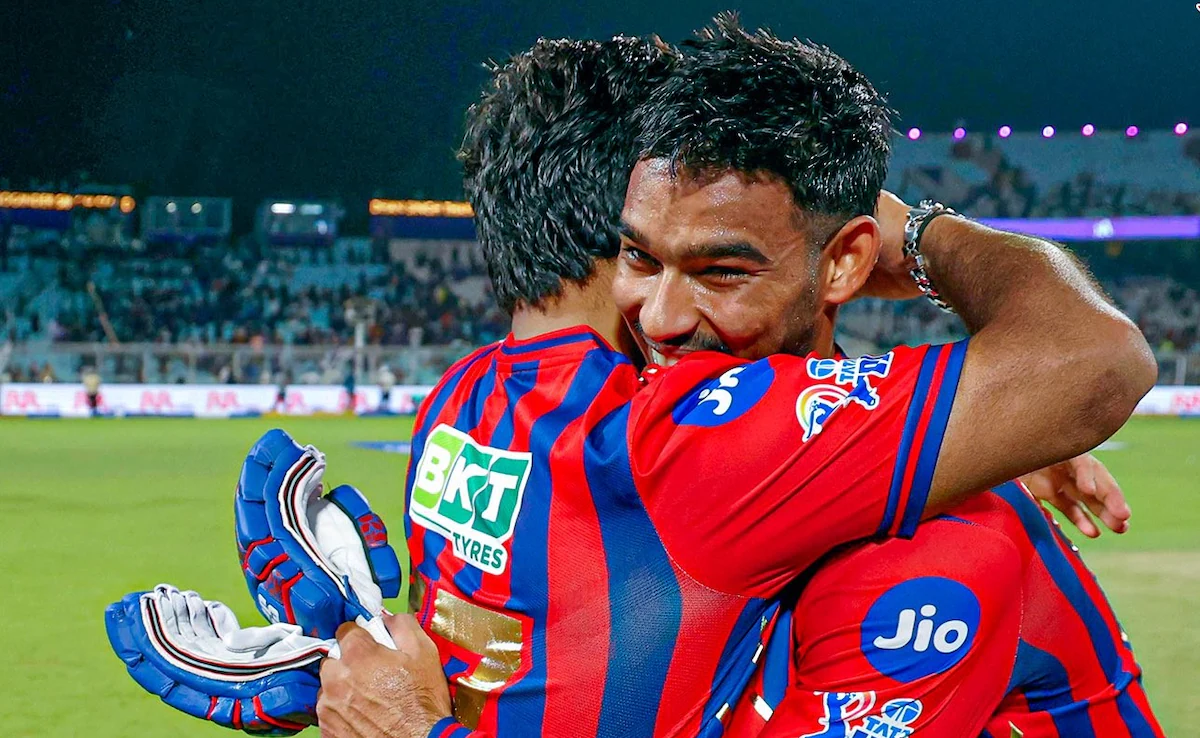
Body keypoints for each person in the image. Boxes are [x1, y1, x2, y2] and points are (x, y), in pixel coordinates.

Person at [317, 22, 1155, 738]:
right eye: (642, 256)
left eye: (719, 267)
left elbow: (1089, 361)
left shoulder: (924, 560)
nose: (660, 317)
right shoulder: (669, 442)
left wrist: (410, 728)